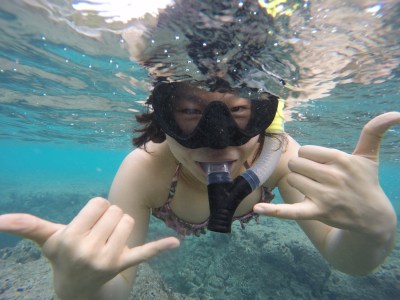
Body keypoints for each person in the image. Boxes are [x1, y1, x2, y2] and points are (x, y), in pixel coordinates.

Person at [0, 77, 399, 299]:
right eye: (190, 112)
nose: (218, 140)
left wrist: (373, 230)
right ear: (162, 119)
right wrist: (80, 290)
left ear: (265, 118)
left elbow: (347, 260)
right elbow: (117, 287)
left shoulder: (283, 157)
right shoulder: (147, 170)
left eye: (239, 110)